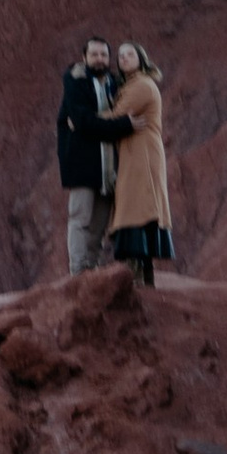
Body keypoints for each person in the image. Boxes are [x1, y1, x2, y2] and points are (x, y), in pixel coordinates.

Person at [95, 39, 173, 287]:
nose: (124, 58)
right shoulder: (130, 86)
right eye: (120, 56)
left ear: (141, 58)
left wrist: (84, 120)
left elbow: (116, 116)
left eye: (129, 54)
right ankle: (141, 277)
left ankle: (137, 278)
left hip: (142, 156)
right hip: (135, 154)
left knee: (136, 209)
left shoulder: (141, 86)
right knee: (137, 208)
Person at [55, 39, 115, 274]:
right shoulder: (76, 81)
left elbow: (89, 122)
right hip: (82, 162)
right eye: (94, 54)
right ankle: (78, 273)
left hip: (108, 165)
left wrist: (97, 122)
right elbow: (82, 120)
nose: (100, 58)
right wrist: (117, 123)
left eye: (104, 54)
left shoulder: (113, 83)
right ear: (84, 57)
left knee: (99, 224)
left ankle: (92, 272)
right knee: (80, 218)